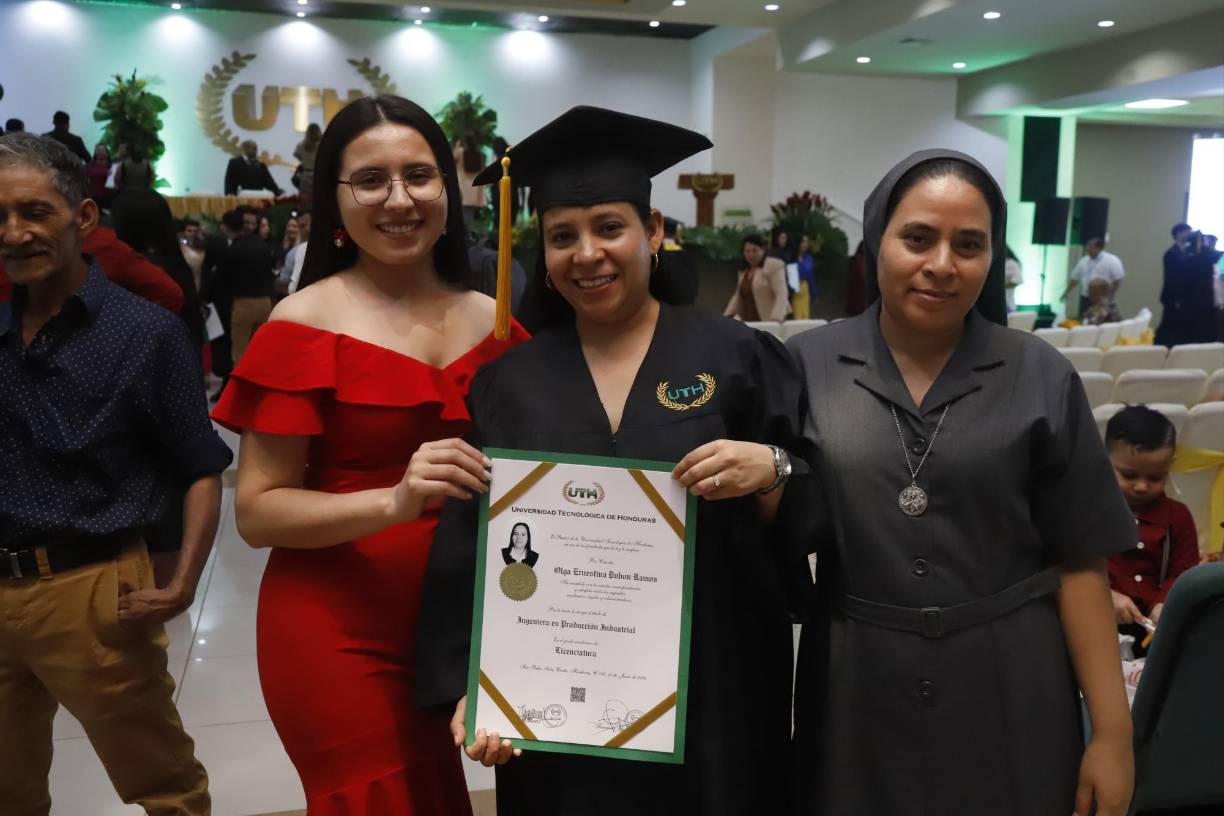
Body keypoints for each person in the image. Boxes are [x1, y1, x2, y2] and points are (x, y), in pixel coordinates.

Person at [416, 105, 810, 816]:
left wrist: (773, 470)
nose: (587, 253)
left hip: (714, 691)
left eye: (610, 228)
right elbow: (468, 549)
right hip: (560, 712)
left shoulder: (736, 356)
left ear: (654, 233)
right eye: (563, 236)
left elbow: (809, 503)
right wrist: (478, 684)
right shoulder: (509, 384)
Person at [787, 149, 1134, 816]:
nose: (942, 264)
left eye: (969, 245)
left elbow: (1081, 565)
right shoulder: (806, 365)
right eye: (918, 237)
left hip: (1010, 676)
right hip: (857, 680)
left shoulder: (1040, 374)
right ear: (877, 239)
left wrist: (1113, 736)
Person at [210, 94, 527, 814]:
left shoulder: (497, 319)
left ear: (448, 187)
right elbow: (257, 512)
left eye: (419, 175)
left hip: (466, 620)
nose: (399, 199)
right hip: (338, 626)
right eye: (371, 181)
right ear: (334, 200)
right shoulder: (302, 324)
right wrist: (393, 501)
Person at [0, 132, 232, 815]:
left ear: (84, 218)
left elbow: (201, 465)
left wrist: (184, 580)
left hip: (94, 590)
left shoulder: (144, 333)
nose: (14, 233)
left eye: (34, 211)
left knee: (162, 785)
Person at [1104, 406, 1199, 653]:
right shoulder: (1089, 511)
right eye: (1129, 475)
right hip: (1098, 621)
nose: (1142, 486)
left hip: (1157, 628)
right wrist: (1106, 595)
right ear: (1105, 461)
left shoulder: (1178, 516)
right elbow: (1072, 566)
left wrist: (1165, 603)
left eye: (1155, 477)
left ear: (1170, 466)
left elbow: (1182, 572)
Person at [724, 234, 789, 322]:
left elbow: (781, 292)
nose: (751, 254)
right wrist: (727, 316)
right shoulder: (743, 271)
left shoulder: (774, 265)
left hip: (769, 321)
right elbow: (738, 295)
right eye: (747, 251)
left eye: (755, 251)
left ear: (763, 250)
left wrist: (776, 317)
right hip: (748, 322)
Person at [1063, 237, 1124, 317]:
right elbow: (1075, 278)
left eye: (1091, 247)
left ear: (1099, 248)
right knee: (1085, 321)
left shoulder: (1112, 260)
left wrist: (1109, 295)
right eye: (1087, 246)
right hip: (1086, 297)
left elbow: (1118, 279)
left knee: (1104, 320)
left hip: (1104, 298)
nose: (1088, 249)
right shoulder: (1083, 261)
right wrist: (1066, 292)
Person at [659, 215, 698, 306]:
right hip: (684, 309)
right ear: (675, 234)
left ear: (661, 232)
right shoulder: (687, 256)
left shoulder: (656, 256)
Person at [453, 136, 487, 226]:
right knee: (471, 219)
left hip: (463, 192)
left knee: (462, 219)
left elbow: (451, 158)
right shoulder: (480, 155)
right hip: (475, 192)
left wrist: (457, 146)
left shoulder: (460, 152)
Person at [293, 122, 322, 202]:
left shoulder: (301, 145)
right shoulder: (322, 145)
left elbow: (297, 156)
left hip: (305, 176)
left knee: (305, 201)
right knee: (318, 200)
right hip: (318, 176)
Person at [792, 234, 817, 319]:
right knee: (797, 317)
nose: (805, 244)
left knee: (805, 316)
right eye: (803, 242)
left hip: (804, 287)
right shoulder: (792, 257)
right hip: (794, 290)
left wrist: (814, 293)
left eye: (806, 242)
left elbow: (810, 276)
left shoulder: (809, 258)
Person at [1004, 244, 1023, 312]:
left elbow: (1017, 280)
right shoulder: (996, 263)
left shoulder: (1012, 264)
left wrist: (1001, 287)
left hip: (1007, 303)